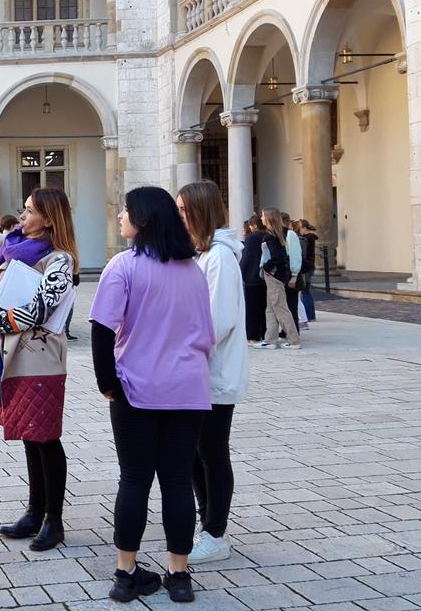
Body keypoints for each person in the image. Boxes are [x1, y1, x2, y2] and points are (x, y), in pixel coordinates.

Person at [90, 186, 214, 604]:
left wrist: (106, 382)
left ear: (142, 218)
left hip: (137, 390)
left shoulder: (123, 266)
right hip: (188, 390)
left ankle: (126, 573)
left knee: (135, 479)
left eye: (125, 210)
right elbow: (206, 334)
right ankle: (179, 574)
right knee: (177, 481)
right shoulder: (193, 270)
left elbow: (102, 329)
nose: (120, 216)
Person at [0, 188, 78, 553]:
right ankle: (35, 511)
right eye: (24, 209)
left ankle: (53, 519)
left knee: (45, 438)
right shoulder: (13, 243)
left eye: (30, 211)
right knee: (28, 433)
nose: (22, 216)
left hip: (41, 358)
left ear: (49, 219)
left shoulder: (59, 259)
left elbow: (42, 307)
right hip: (12, 355)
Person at [176, 181, 249, 565]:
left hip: (213, 373)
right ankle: (206, 523)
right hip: (196, 371)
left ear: (200, 212)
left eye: (183, 210)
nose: (178, 217)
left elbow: (216, 321)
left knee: (211, 452)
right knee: (195, 452)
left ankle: (216, 532)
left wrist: (177, 344)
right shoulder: (202, 254)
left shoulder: (219, 257)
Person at [253, 208, 300, 350]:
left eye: (263, 216)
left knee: (280, 308)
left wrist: (266, 268)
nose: (261, 218)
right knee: (271, 309)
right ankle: (270, 340)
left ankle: (294, 340)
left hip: (273, 276)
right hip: (276, 276)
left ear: (269, 218)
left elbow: (277, 257)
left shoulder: (270, 236)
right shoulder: (276, 234)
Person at [238, 214, 269, 344]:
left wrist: (240, 273)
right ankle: (264, 333)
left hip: (252, 276)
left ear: (254, 226)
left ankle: (253, 335)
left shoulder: (251, 238)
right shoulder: (267, 235)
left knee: (251, 308)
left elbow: (246, 257)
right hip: (265, 276)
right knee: (263, 307)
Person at [281, 212, 303, 334]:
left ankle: (293, 330)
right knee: (286, 304)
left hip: (291, 274)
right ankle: (287, 329)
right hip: (286, 274)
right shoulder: (283, 234)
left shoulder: (290, 235)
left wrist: (294, 275)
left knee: (291, 305)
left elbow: (295, 255)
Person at [296, 219, 319, 325]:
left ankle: (308, 314)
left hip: (307, 266)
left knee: (305, 291)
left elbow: (304, 254)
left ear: (304, 228)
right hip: (309, 266)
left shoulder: (306, 239)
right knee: (306, 291)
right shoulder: (309, 238)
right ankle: (310, 314)